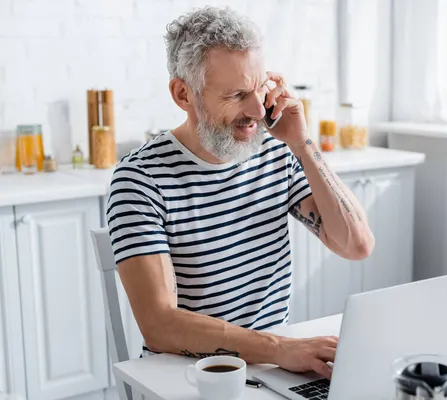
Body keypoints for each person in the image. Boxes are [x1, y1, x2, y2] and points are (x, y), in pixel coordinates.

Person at [106, 6, 374, 379]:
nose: (255, 110)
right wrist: (280, 349)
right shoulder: (141, 179)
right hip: (189, 375)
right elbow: (160, 324)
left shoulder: (275, 152)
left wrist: (301, 143)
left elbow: (356, 245)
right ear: (183, 94)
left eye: (258, 89)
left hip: (273, 367)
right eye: (235, 95)